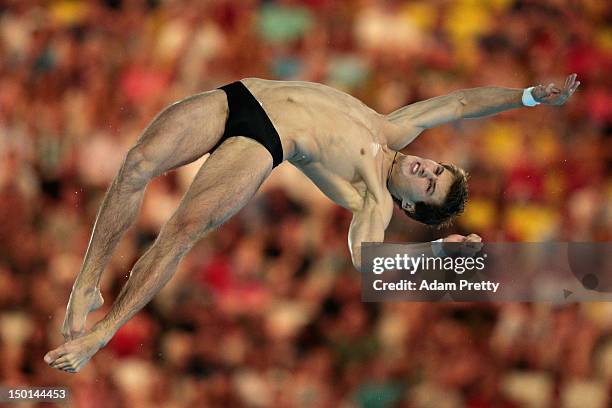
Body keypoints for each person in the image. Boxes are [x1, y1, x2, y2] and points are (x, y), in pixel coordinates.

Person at [44, 74, 580, 372]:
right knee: (136, 163)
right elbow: (462, 101)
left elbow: (368, 264)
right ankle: (86, 285)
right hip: (241, 96)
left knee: (181, 230)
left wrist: (434, 261)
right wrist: (528, 97)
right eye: (437, 168)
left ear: (412, 207)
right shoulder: (393, 127)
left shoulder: (372, 199)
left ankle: (103, 333)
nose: (426, 168)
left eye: (429, 183)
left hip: (265, 144)